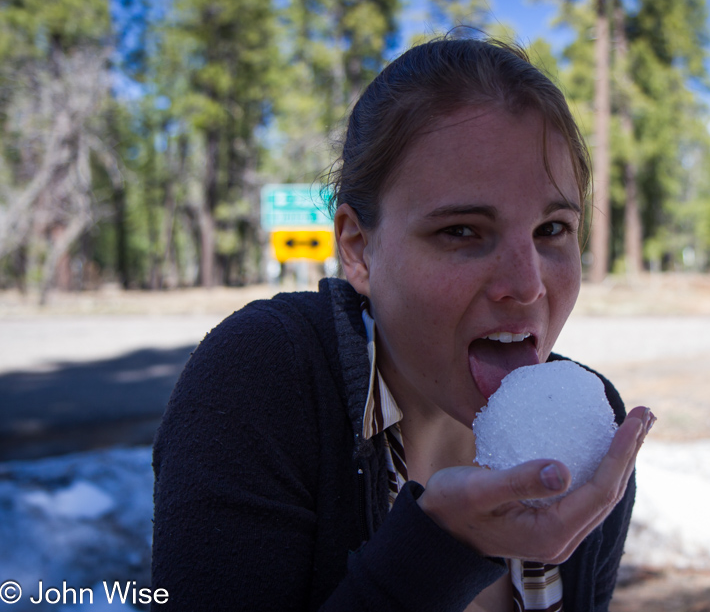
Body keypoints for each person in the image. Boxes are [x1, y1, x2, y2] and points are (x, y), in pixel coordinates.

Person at [150, 36, 656, 611]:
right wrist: (440, 552)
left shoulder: (589, 433)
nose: (528, 284)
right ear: (359, 248)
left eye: (552, 230)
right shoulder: (263, 379)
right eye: (462, 231)